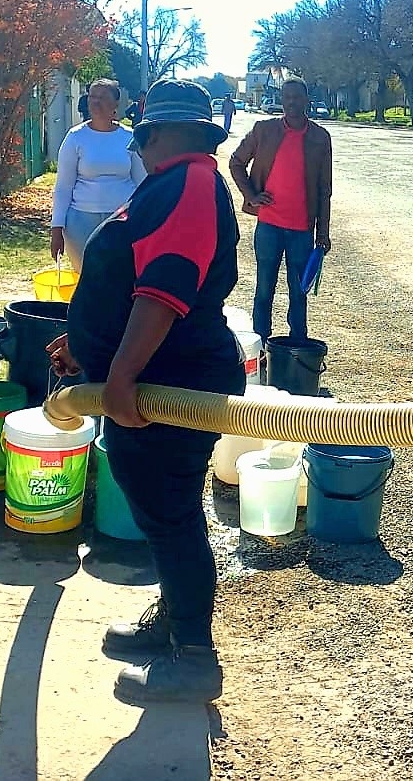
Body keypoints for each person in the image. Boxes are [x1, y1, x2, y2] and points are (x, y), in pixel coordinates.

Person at [47, 79, 243, 704]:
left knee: (173, 512)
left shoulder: (188, 181)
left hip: (172, 379)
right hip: (149, 373)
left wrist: (123, 375)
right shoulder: (171, 182)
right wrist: (88, 343)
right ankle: (176, 621)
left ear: (152, 134)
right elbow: (130, 277)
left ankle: (193, 655)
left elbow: (166, 287)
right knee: (164, 512)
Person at [228, 77, 334, 342]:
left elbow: (324, 190)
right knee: (264, 289)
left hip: (301, 229)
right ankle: (260, 345)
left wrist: (323, 233)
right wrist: (251, 195)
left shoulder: (320, 138)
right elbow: (236, 162)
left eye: (297, 96)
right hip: (269, 226)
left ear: (307, 100)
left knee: (299, 292)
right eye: (286, 97)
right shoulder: (264, 130)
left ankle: (297, 346)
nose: (291, 102)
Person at [50, 79, 145, 272]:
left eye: (102, 97)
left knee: (120, 277)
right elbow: (63, 187)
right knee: (87, 279)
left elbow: (142, 182)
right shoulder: (75, 137)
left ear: (116, 104)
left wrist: (146, 217)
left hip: (122, 221)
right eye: (92, 97)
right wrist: (56, 228)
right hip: (81, 221)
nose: (96, 102)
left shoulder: (129, 137)